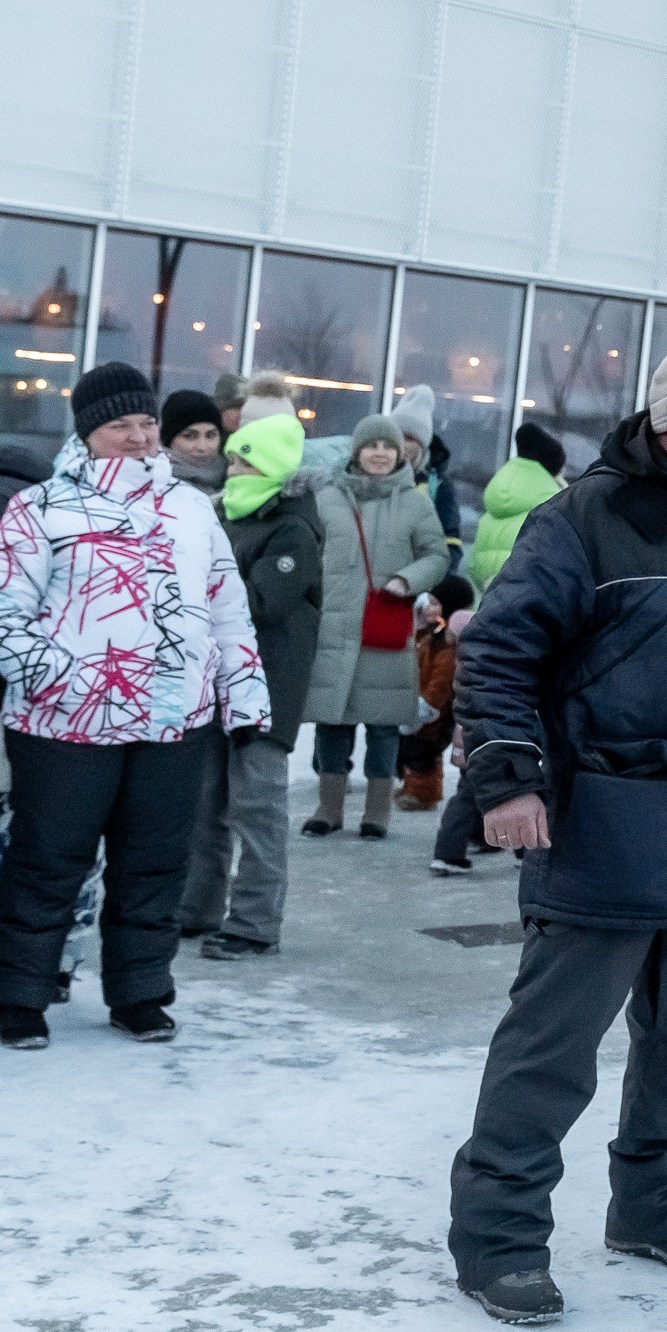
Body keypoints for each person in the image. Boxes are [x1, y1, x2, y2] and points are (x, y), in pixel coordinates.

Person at [446, 341, 667, 1326]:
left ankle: (653, 1207)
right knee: (552, 1047)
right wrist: (506, 776)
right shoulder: (584, 522)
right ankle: (499, 1239)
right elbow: (497, 655)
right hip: (607, 828)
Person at [0, 363, 268, 1049]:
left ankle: (141, 993)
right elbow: (7, 617)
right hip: (65, 726)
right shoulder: (41, 509)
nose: (139, 436)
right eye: (121, 424)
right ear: (89, 431)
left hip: (172, 722)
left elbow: (227, 610)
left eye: (146, 423)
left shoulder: (190, 509)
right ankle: (19, 997)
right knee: (46, 862)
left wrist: (240, 694)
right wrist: (71, 681)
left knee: (154, 862)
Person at [179, 381, 323, 961]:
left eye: (241, 456)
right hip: (217, 682)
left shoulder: (292, 526)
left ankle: (255, 922)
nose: (230, 464)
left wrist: (198, 584)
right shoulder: (231, 515)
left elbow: (262, 601)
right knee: (206, 800)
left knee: (256, 806)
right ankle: (197, 907)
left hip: (268, 687)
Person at [301, 414, 447, 841]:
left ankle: (377, 812)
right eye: (371, 446)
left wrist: (408, 579)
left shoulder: (416, 502)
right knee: (333, 721)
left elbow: (437, 555)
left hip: (384, 626)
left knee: (383, 725)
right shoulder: (327, 498)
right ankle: (328, 809)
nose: (379, 454)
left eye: (388, 447)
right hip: (332, 627)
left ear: (400, 453)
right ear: (356, 451)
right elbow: (307, 549)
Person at [397, 577, 474, 811]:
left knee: (424, 753)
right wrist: (420, 622)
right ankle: (413, 787)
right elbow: (417, 645)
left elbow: (442, 680)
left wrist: (429, 704)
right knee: (413, 748)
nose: (427, 606)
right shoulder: (435, 633)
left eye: (434, 602)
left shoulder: (448, 646)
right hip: (423, 700)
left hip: (437, 709)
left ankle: (424, 794)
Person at [465, 423, 566, 593]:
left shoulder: (496, 498)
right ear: (553, 470)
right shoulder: (552, 505)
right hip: (526, 604)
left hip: (486, 604)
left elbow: (475, 567)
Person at [388, 384, 463, 572]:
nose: (403, 444)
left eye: (411, 438)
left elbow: (450, 544)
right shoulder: (370, 475)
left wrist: (432, 586)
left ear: (422, 445)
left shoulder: (438, 485)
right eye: (398, 435)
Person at [160, 389, 227, 499]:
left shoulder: (234, 476)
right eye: (190, 436)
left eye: (211, 435)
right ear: (167, 440)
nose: (202, 447)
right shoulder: (153, 484)